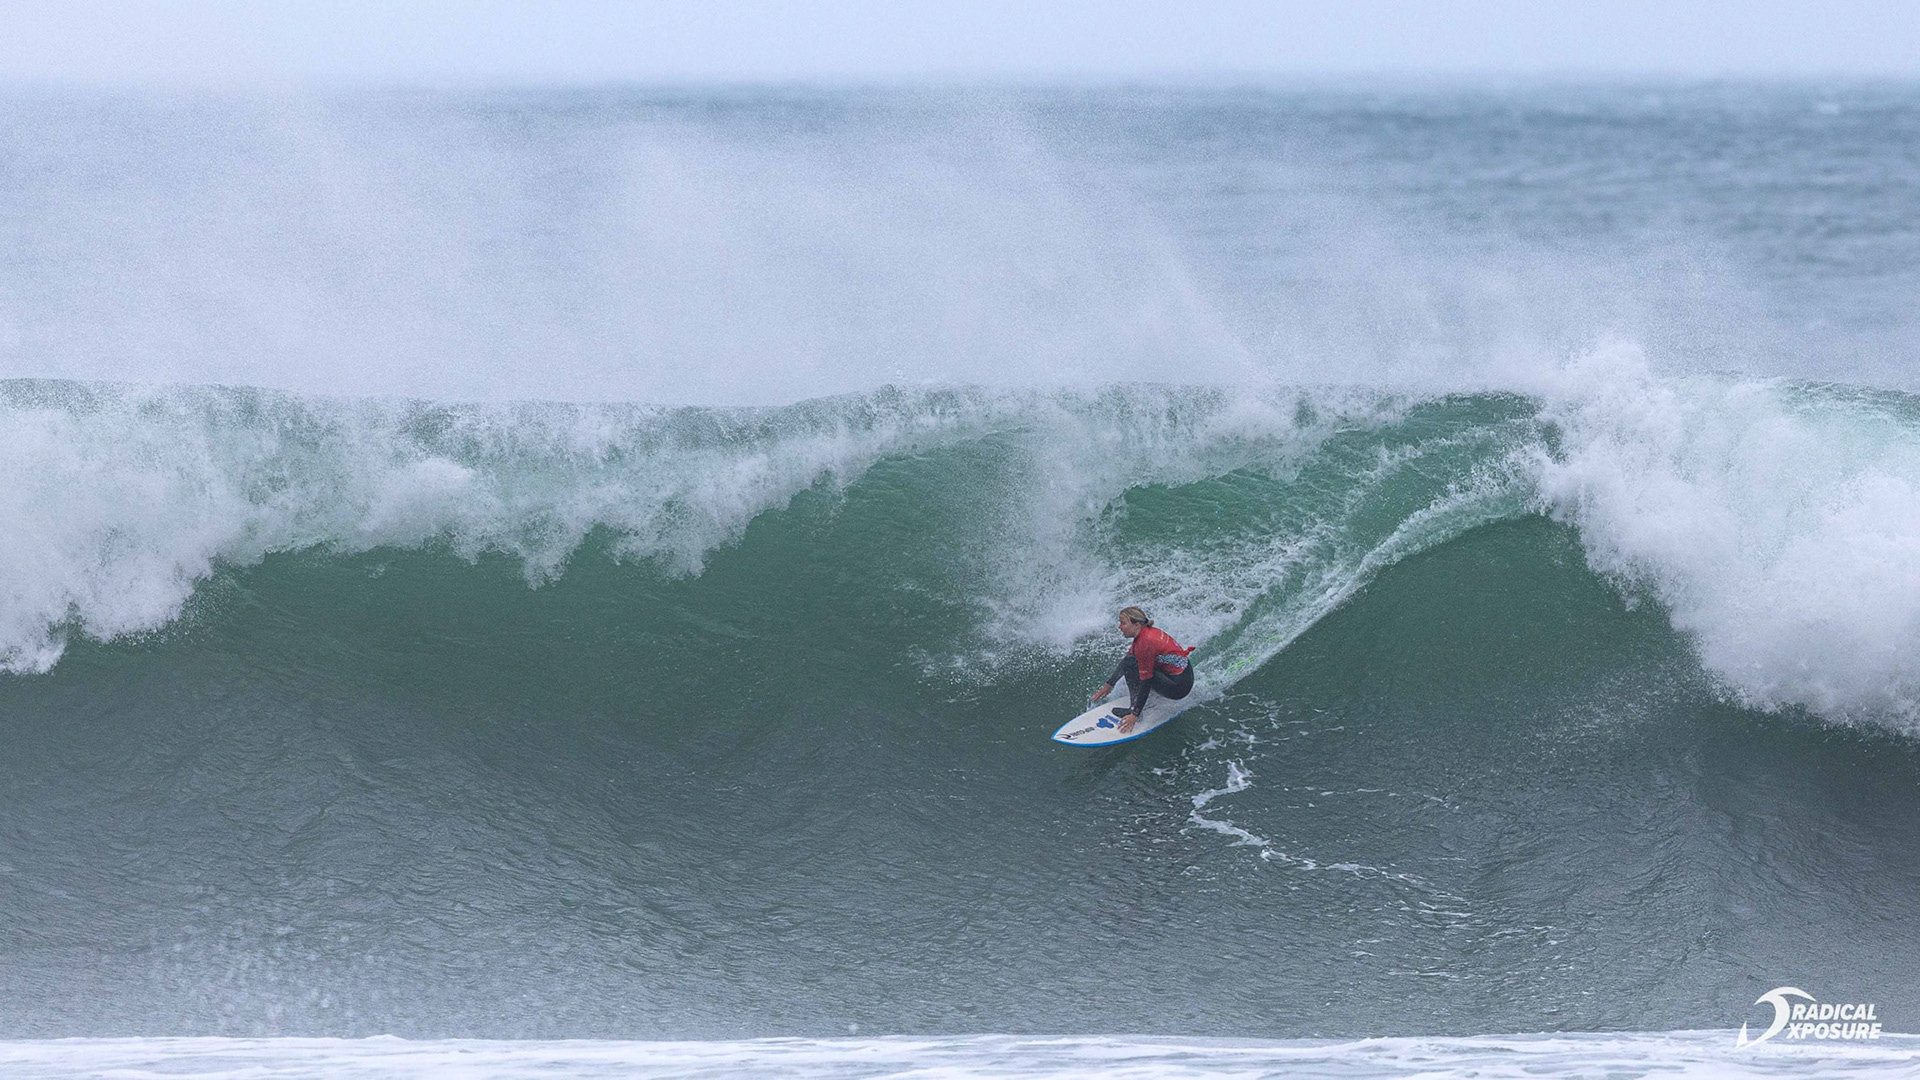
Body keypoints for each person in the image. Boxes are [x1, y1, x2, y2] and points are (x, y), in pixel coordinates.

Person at [1091, 606, 1194, 734]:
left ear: (1136, 625)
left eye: (1123, 623)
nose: (1120, 627)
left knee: (1133, 666)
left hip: (1178, 687)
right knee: (1132, 661)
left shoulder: (1145, 643)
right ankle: (1141, 703)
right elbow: (1128, 659)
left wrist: (1135, 714)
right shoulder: (1147, 633)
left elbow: (1146, 681)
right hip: (1185, 674)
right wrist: (1109, 684)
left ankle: (1134, 709)